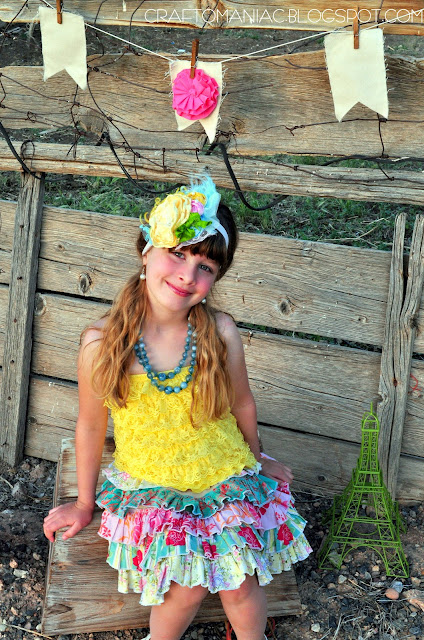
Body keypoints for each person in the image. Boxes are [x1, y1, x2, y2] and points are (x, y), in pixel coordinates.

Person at [43, 174, 312, 640]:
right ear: (147, 250)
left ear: (216, 278)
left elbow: (242, 403)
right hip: (156, 485)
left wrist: (257, 458)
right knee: (185, 588)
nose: (188, 274)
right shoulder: (103, 344)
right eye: (178, 253)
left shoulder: (219, 331)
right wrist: (85, 503)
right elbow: (90, 425)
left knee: (241, 584)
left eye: (206, 266)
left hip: (224, 475)